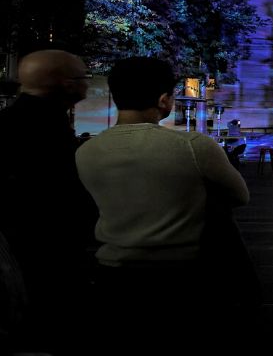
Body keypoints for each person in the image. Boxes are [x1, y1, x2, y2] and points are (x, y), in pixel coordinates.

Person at [76, 57, 254, 353]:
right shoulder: (193, 146)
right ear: (163, 100)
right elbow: (240, 196)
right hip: (183, 277)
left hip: (113, 276)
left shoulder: (87, 151)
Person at [0, 49, 97, 354]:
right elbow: (64, 197)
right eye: (83, 78)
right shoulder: (49, 131)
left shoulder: (9, 121)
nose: (87, 85)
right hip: (46, 257)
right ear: (67, 84)